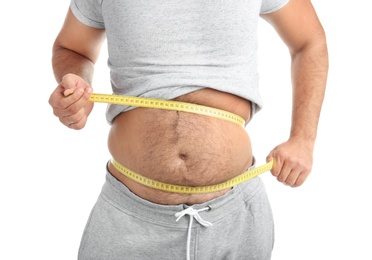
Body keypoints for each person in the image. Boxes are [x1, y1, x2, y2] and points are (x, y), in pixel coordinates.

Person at [49, 0, 328, 259]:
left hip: (235, 220)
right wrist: (75, 85)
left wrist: (303, 139)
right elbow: (72, 48)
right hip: (128, 220)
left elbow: (309, 40)